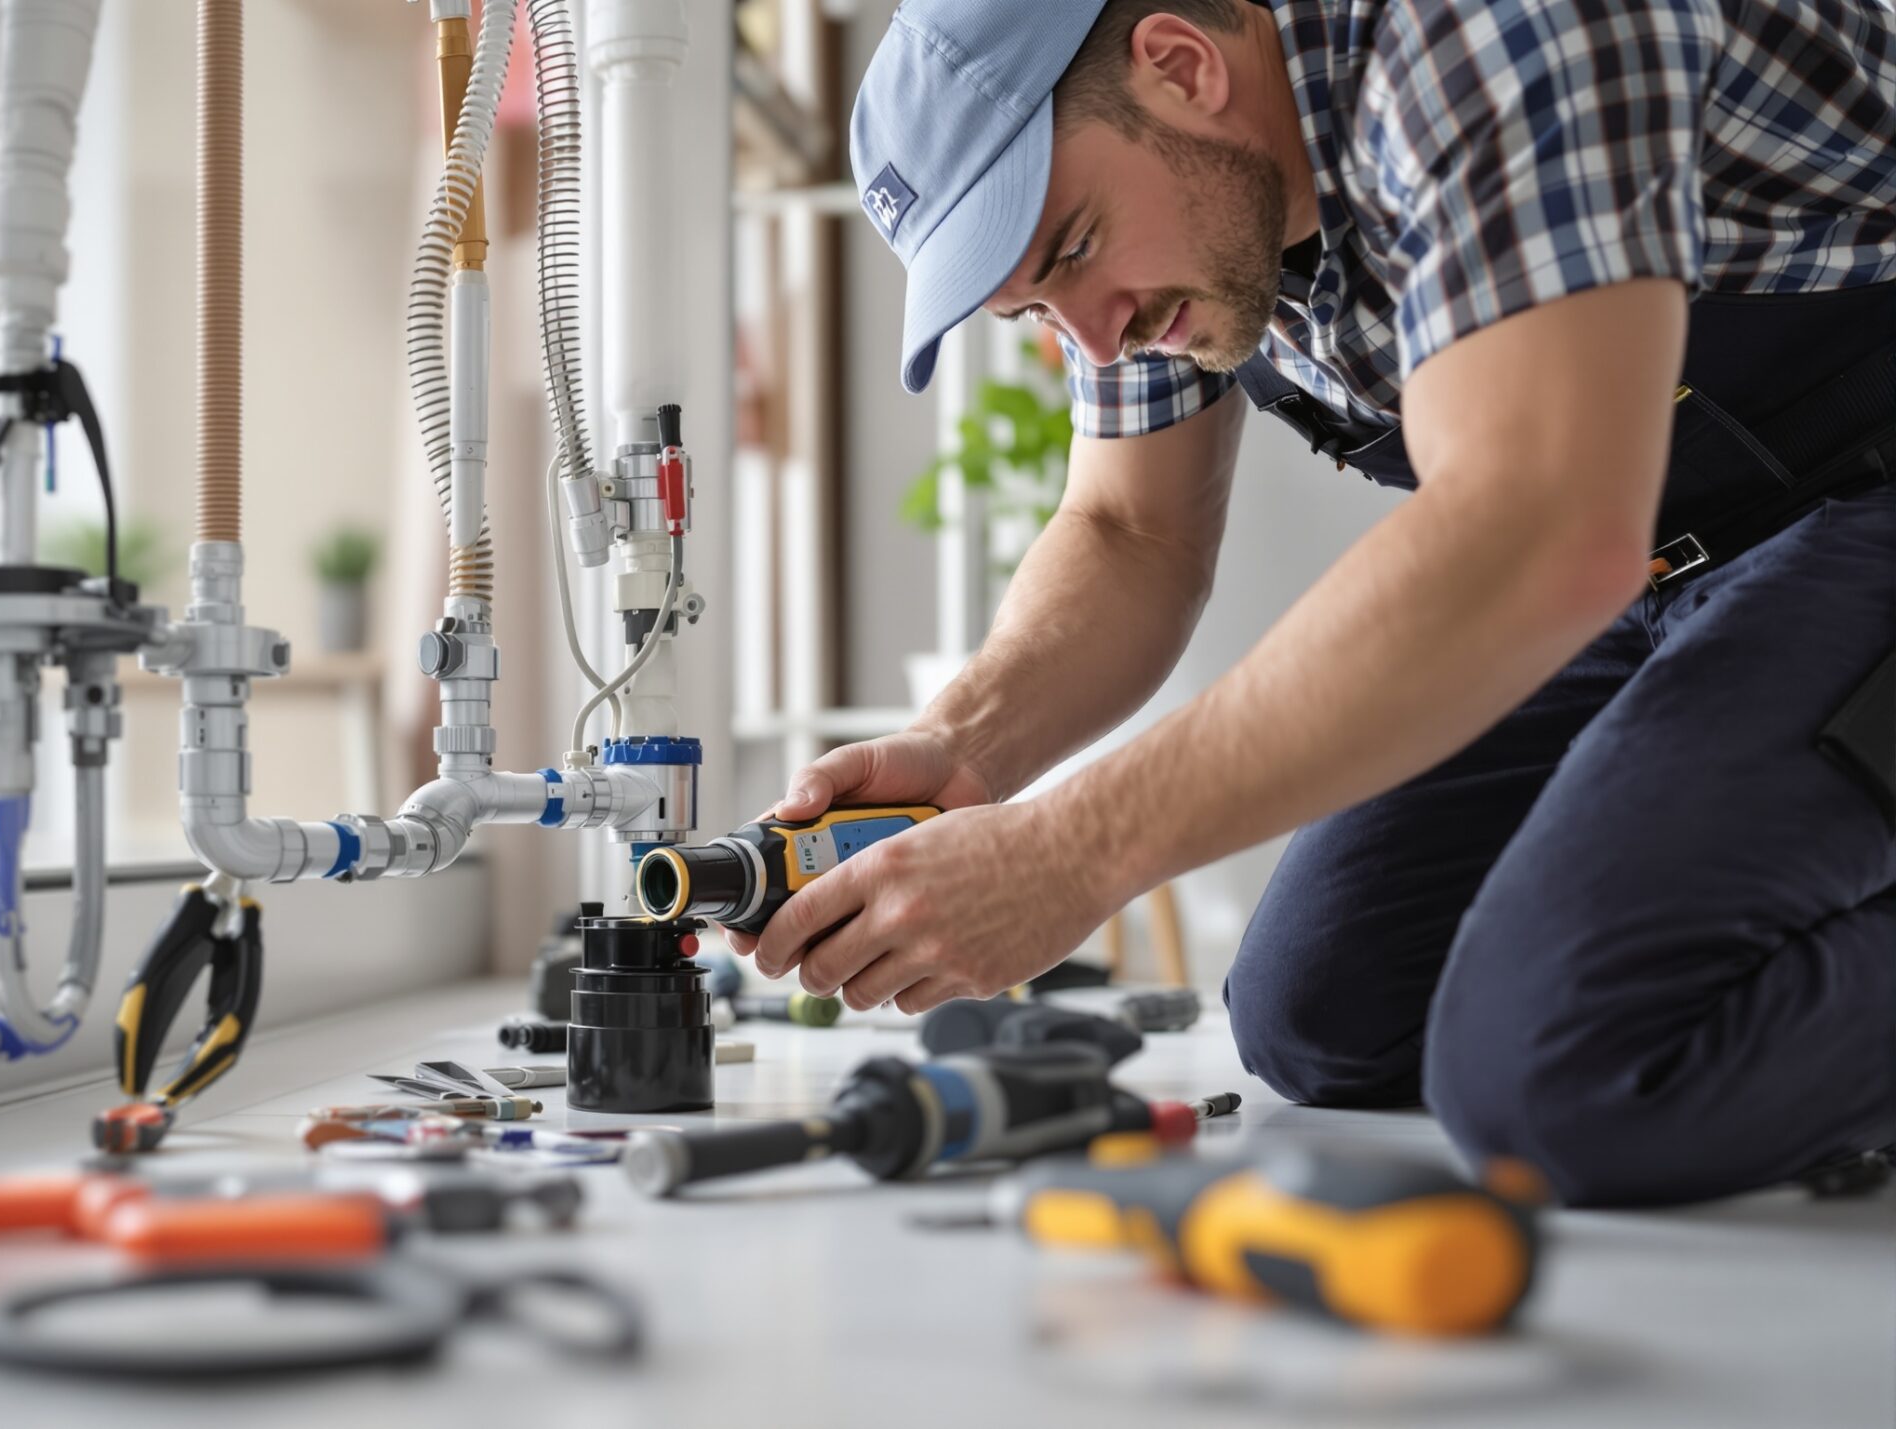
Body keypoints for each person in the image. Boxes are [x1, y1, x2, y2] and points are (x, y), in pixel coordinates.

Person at [734, 0, 1896, 1207]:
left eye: (1073, 248)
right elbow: (1129, 529)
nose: (1093, 337)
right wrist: (962, 748)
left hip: (1837, 496)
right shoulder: (1176, 203)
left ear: (1179, 64)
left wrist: (1066, 854)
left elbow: (1535, 527)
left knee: (1574, 1072)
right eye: (1033, 308)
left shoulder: (1488, 36)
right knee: (1320, 1010)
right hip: (1660, 551)